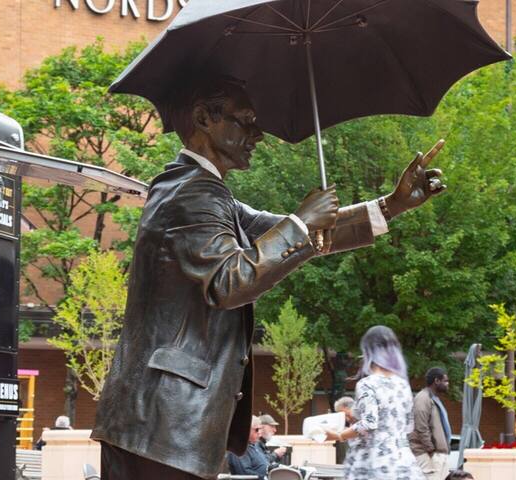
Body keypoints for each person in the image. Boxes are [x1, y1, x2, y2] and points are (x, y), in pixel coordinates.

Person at [91, 76, 447, 480]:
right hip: (163, 426)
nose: (258, 134)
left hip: (158, 427)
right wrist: (299, 222)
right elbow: (229, 281)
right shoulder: (192, 194)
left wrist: (392, 204)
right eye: (245, 120)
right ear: (204, 118)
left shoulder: (206, 192)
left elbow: (306, 237)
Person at [325, 326, 424, 480]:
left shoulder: (367, 384)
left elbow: (369, 423)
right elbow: (409, 426)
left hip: (373, 464)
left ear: (368, 351)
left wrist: (339, 435)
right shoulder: (403, 385)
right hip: (403, 463)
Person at [410, 367, 454, 480]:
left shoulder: (434, 398)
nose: (447, 384)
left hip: (439, 453)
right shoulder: (423, 398)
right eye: (445, 381)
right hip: (428, 454)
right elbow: (421, 427)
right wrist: (431, 450)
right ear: (436, 381)